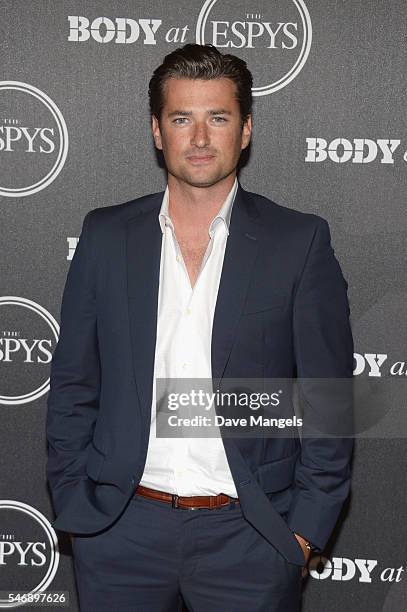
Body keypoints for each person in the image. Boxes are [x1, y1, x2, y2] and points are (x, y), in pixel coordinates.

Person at [46, 43, 354, 611]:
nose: (201, 137)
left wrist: (303, 532)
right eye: (182, 118)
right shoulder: (106, 236)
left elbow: (328, 400)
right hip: (119, 534)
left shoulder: (299, 242)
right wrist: (76, 503)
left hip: (250, 536)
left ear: (246, 129)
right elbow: (73, 384)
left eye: (219, 117)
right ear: (158, 131)